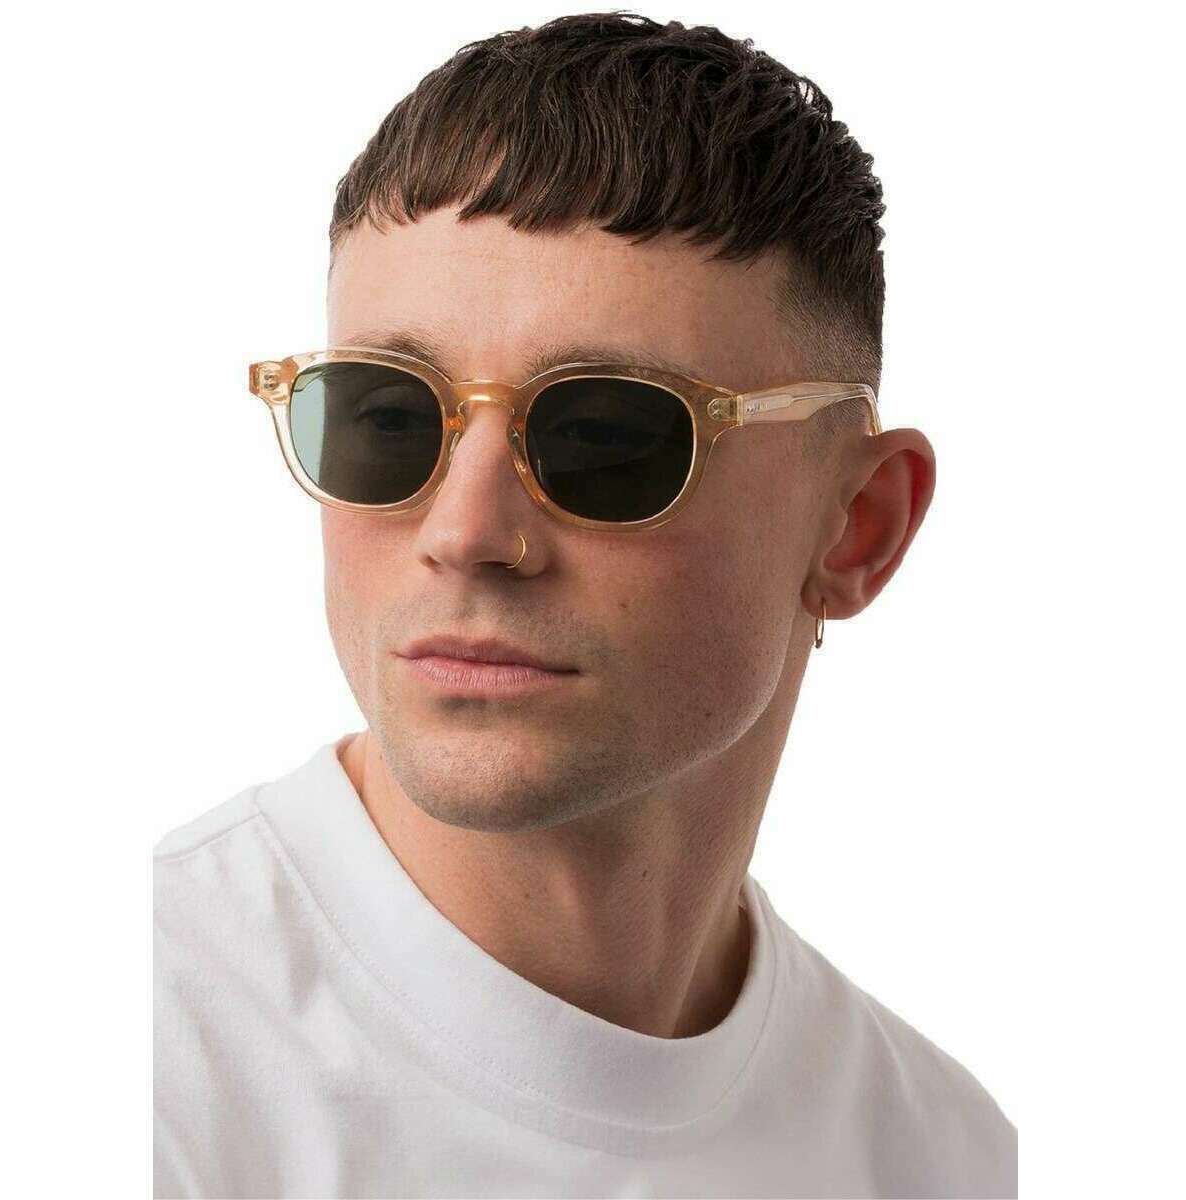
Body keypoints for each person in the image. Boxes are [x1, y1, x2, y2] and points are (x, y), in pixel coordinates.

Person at [153, 12, 1016, 1197]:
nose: (465, 534)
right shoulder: (131, 1072)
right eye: (388, 418)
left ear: (857, 526)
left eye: (608, 437)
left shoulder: (947, 1160)